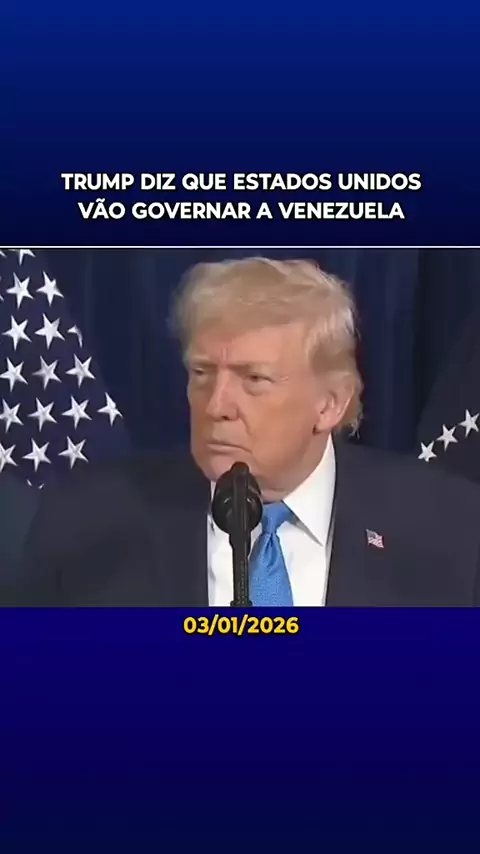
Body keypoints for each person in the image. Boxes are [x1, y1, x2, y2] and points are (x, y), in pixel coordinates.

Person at [19, 257, 480, 606]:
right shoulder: (86, 522)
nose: (216, 406)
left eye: (254, 379)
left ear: (329, 404)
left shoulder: (448, 527)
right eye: (201, 373)